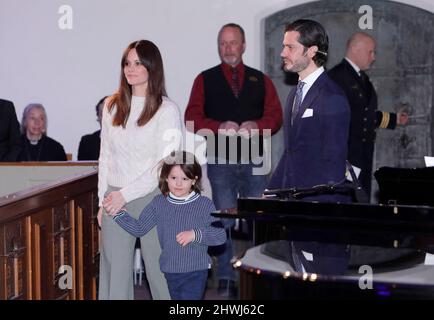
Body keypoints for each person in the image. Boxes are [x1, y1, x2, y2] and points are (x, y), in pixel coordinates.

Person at [184, 23, 283, 298]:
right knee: (224, 219)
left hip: (255, 159)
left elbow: (276, 117)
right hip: (220, 159)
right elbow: (191, 117)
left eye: (233, 42)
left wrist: (257, 124)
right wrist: (217, 126)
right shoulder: (204, 79)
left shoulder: (260, 79)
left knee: (257, 217)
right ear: (219, 47)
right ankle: (226, 276)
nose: (228, 48)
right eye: (223, 44)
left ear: (243, 45)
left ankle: (255, 271)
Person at [97, 40, 182, 300]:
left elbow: (164, 164)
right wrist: (104, 200)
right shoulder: (112, 105)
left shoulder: (167, 109)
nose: (130, 69)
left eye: (138, 63)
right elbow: (105, 157)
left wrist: (126, 194)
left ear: (151, 67)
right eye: (127, 63)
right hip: (114, 197)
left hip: (153, 197)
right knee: (114, 274)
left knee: (159, 272)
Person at [108, 151, 226, 300]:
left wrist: (195, 234)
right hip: (170, 270)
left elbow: (220, 236)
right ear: (166, 178)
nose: (178, 183)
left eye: (184, 178)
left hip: (196, 271)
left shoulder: (204, 204)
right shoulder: (159, 203)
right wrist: (119, 215)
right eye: (174, 178)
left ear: (194, 180)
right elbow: (139, 228)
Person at [268, 19, 350, 203]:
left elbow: (334, 161)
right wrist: (270, 192)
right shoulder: (294, 94)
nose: (283, 53)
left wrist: (322, 210)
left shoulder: (332, 96)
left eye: (290, 47)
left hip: (319, 207)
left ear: (312, 51)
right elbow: (290, 152)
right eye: (283, 47)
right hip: (296, 202)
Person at [328, 32, 408, 198]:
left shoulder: (362, 78)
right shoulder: (337, 77)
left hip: (362, 156)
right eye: (370, 52)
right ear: (355, 49)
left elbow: (364, 114)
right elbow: (331, 123)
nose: (373, 57)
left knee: (360, 202)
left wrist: (395, 120)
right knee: (345, 201)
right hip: (345, 158)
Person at [77, 96, 107, 160]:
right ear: (98, 118)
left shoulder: (128, 140)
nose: (107, 118)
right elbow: (83, 169)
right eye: (102, 114)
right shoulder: (87, 142)